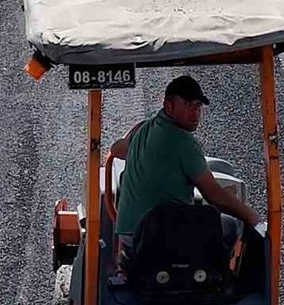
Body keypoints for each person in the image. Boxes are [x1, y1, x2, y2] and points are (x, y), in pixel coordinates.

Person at [108, 75, 262, 263]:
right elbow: (214, 196)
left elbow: (116, 149)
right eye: (188, 105)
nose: (195, 113)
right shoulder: (183, 142)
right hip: (159, 235)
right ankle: (212, 277)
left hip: (128, 234)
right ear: (168, 105)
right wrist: (251, 217)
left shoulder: (144, 129)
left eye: (198, 106)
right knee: (229, 225)